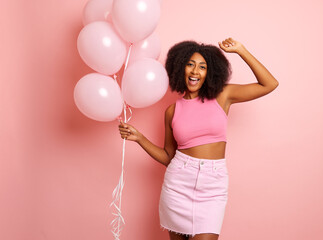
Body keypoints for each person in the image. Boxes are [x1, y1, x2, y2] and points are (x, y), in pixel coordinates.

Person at [118, 38, 279, 240]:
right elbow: (169, 156)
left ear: (209, 72)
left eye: (202, 67)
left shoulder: (223, 95)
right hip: (178, 184)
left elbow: (269, 84)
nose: (195, 72)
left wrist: (241, 50)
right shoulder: (172, 111)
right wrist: (140, 138)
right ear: (180, 69)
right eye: (190, 65)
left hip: (213, 186)